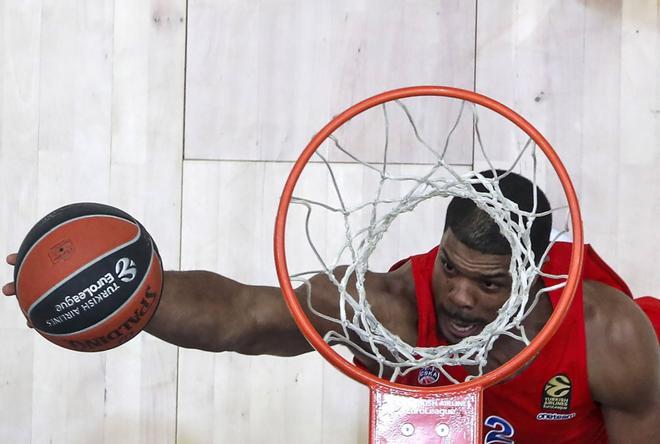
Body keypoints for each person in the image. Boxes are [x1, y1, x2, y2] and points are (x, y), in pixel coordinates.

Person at [3, 172, 659, 443]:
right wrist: (121, 290)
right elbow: (242, 317)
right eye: (451, 268)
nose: (459, 295)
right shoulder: (385, 308)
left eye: (488, 286)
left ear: (533, 276)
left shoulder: (611, 338)